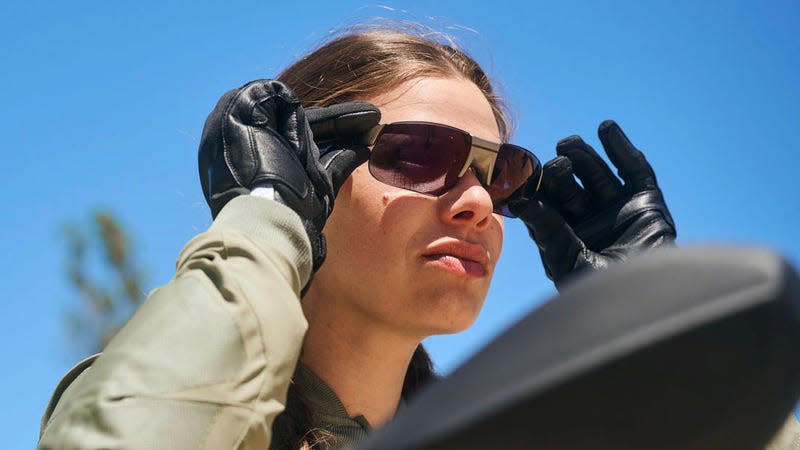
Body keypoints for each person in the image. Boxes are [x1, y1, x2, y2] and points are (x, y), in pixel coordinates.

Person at [38, 22, 695, 449]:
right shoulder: (179, 396)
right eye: (417, 154)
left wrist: (652, 335)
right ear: (304, 167)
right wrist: (267, 217)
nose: (475, 203)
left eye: (496, 175)